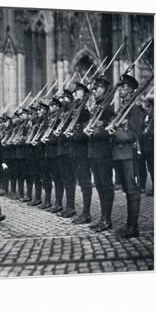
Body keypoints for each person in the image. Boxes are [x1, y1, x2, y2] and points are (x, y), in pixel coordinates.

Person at [109, 74, 142, 238]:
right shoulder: (123, 108)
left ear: (130, 89)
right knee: (127, 190)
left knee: (132, 190)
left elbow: (134, 133)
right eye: (120, 87)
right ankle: (129, 225)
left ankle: (133, 228)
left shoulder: (134, 108)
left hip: (129, 154)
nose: (120, 89)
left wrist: (115, 134)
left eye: (123, 87)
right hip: (119, 154)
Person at [85, 76, 115, 232]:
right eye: (94, 88)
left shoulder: (108, 108)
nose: (94, 91)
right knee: (98, 185)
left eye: (97, 88)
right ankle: (103, 218)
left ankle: (107, 219)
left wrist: (95, 132)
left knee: (106, 185)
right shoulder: (95, 107)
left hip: (104, 152)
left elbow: (110, 130)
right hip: (93, 152)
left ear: (104, 89)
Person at [68, 82, 93, 224]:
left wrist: (73, 135)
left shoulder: (84, 111)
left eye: (77, 91)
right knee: (82, 183)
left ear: (83, 93)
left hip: (83, 150)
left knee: (85, 182)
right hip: (75, 150)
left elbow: (84, 132)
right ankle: (84, 212)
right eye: (75, 91)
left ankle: (86, 213)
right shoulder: (76, 109)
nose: (75, 93)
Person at [55, 89, 77, 217]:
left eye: (65, 99)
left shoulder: (72, 113)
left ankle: (71, 206)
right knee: (65, 178)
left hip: (68, 149)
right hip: (61, 150)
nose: (63, 101)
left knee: (69, 179)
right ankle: (67, 206)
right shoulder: (62, 113)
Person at [141, 98, 154, 196]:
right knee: (150, 168)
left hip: (152, 148)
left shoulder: (154, 118)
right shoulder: (148, 117)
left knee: (154, 168)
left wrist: (148, 132)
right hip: (147, 148)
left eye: (148, 107)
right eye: (146, 107)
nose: (147, 109)